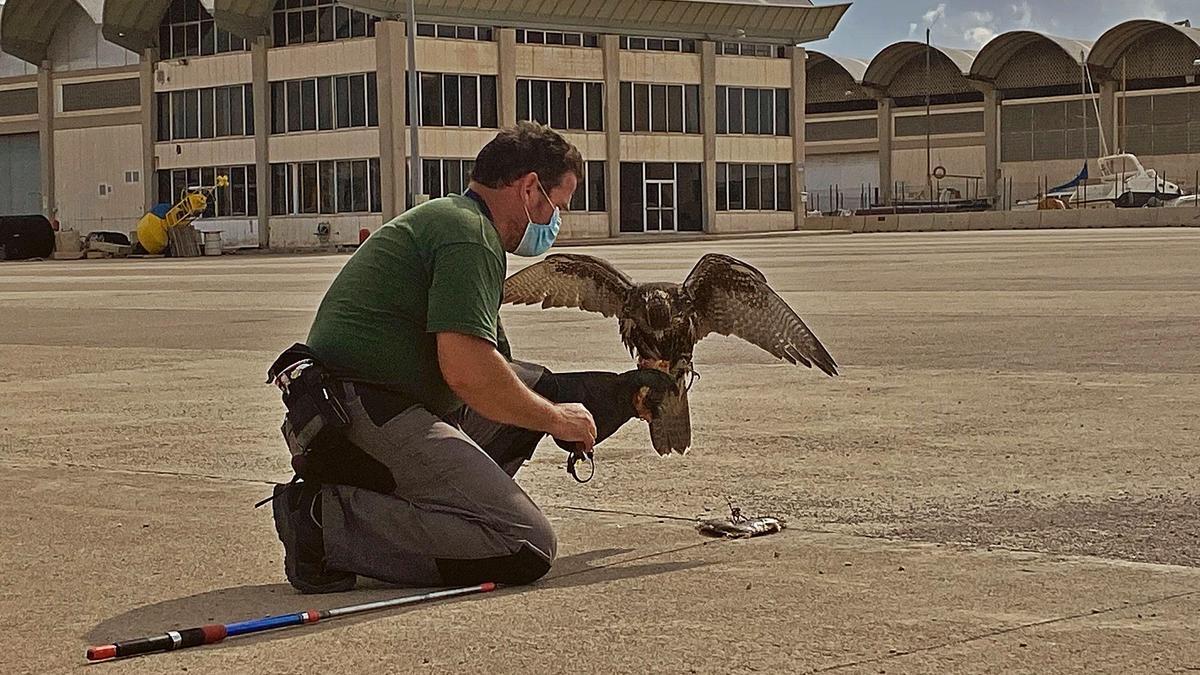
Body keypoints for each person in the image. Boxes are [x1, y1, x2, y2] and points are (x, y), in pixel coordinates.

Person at [268, 122, 674, 593]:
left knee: (533, 392)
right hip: (363, 416)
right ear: (529, 189)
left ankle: (454, 507)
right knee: (524, 543)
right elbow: (469, 373)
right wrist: (559, 421)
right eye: (556, 206)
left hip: (368, 407)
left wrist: (609, 395)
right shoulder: (469, 236)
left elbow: (501, 368)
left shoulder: (455, 219)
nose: (554, 222)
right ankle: (325, 522)